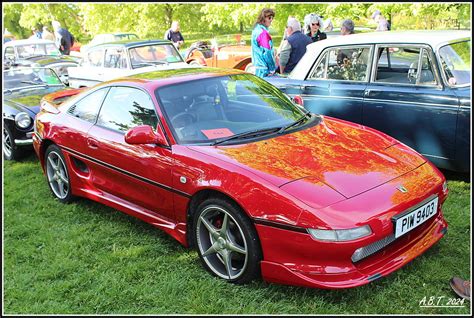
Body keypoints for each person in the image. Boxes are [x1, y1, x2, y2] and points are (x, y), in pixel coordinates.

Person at [251, 8, 277, 78]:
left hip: (258, 67)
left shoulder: (256, 30)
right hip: (264, 69)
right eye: (269, 17)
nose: (271, 20)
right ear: (263, 18)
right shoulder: (262, 33)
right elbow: (267, 52)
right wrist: (272, 69)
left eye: (272, 18)